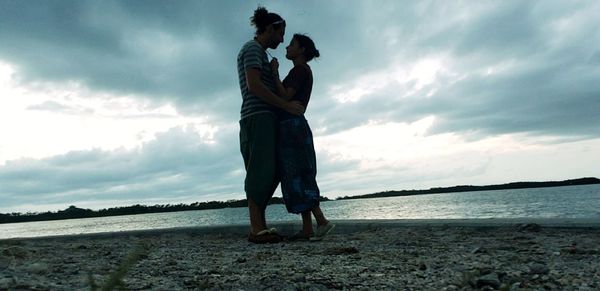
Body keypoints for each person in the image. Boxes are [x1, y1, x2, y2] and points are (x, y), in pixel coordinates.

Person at [237, 7, 305, 244]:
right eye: (281, 33)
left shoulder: (261, 53)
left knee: (273, 170)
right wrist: (285, 106)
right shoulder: (252, 49)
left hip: (266, 117)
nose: (283, 39)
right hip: (257, 116)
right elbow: (253, 86)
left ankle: (261, 226)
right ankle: (256, 229)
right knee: (260, 170)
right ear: (270, 28)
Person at [270, 34, 334, 241]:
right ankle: (307, 228)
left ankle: (322, 222)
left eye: (292, 45)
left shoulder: (300, 70)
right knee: (297, 174)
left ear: (302, 50)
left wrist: (274, 74)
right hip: (293, 126)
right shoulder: (302, 70)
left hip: (292, 127)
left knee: (299, 173)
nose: (287, 47)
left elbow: (285, 96)